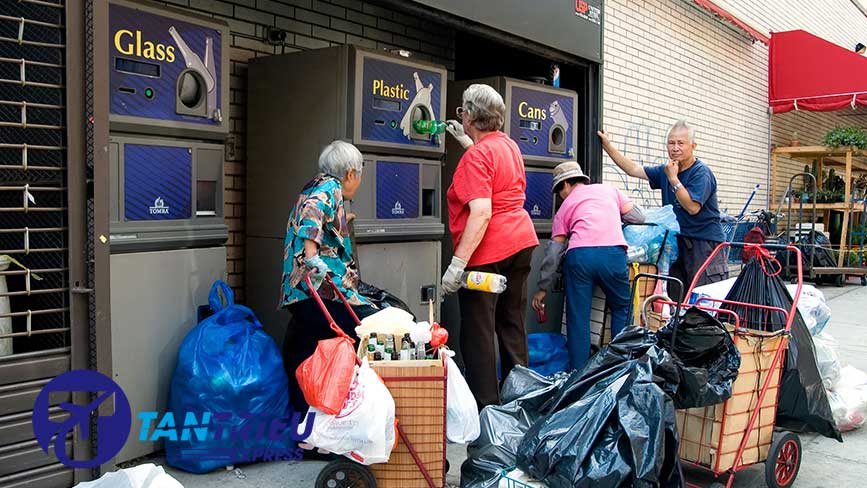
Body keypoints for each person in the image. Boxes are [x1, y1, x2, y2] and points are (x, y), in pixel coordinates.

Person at [442, 83, 539, 409]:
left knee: (479, 332)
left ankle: (486, 409)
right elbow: (491, 165)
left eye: (462, 111)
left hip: (488, 251)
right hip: (520, 243)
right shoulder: (509, 146)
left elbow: (481, 212)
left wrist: (457, 265)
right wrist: (465, 142)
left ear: (469, 115)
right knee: (511, 324)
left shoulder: (476, 157)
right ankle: (520, 401)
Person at [280, 140, 377, 418]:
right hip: (321, 290)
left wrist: (343, 219)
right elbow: (312, 214)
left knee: (303, 350)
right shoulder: (330, 189)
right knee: (366, 329)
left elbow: (318, 216)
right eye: (359, 173)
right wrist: (312, 256)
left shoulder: (315, 185)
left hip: (299, 292)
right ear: (350, 174)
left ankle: (303, 422)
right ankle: (354, 414)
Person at [531, 161, 645, 371]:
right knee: (621, 307)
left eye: (559, 191)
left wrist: (542, 287)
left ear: (565, 184)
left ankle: (578, 375)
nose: (560, 196)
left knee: (578, 318)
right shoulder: (609, 190)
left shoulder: (565, 207)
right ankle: (619, 367)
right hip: (613, 254)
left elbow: (553, 253)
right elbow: (638, 216)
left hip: (580, 257)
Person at [598, 120, 727, 300]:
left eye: (680, 143)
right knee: (676, 299)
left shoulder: (701, 173)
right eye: (671, 143)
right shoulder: (666, 170)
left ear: (693, 146)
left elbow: (692, 207)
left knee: (702, 302)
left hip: (703, 245)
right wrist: (607, 146)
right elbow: (633, 169)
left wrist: (673, 179)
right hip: (676, 243)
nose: (675, 148)